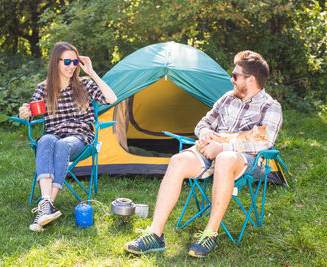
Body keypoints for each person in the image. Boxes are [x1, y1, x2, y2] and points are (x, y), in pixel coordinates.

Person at [123, 51, 282, 257]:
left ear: (250, 79)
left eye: (235, 76)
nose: (231, 79)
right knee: (178, 160)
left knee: (225, 158)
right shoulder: (227, 98)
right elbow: (203, 124)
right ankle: (155, 234)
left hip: (245, 161)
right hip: (211, 151)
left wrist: (222, 146)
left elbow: (262, 140)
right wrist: (206, 133)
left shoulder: (271, 107)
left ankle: (210, 233)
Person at [18, 42, 117, 232]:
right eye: (68, 61)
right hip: (54, 136)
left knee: (62, 145)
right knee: (45, 140)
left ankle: (45, 206)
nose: (72, 66)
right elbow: (30, 111)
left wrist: (92, 73)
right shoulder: (44, 88)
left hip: (81, 138)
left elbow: (112, 99)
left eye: (75, 61)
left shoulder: (85, 85)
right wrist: (25, 111)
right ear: (56, 62)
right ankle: (47, 205)